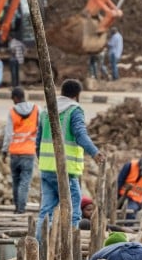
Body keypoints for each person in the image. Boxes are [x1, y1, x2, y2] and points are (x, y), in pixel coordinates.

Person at [36, 78, 104, 238]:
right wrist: (94, 152)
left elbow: (38, 141)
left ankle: (39, 247)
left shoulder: (46, 110)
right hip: (66, 170)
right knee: (73, 212)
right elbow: (80, 135)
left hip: (47, 168)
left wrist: (43, 160)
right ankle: (71, 246)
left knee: (45, 212)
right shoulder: (74, 110)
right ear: (77, 95)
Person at [2, 86, 38, 214]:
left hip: (15, 152)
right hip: (29, 152)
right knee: (25, 182)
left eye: (13, 99)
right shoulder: (35, 109)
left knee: (16, 181)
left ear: (16, 98)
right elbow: (39, 129)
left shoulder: (12, 112)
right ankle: (21, 208)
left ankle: (17, 207)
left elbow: (8, 134)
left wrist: (4, 150)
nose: (13, 102)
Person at [116, 147, 142, 219]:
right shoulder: (130, 166)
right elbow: (119, 183)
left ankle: (128, 226)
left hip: (135, 201)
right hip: (122, 197)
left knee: (129, 212)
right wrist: (115, 200)